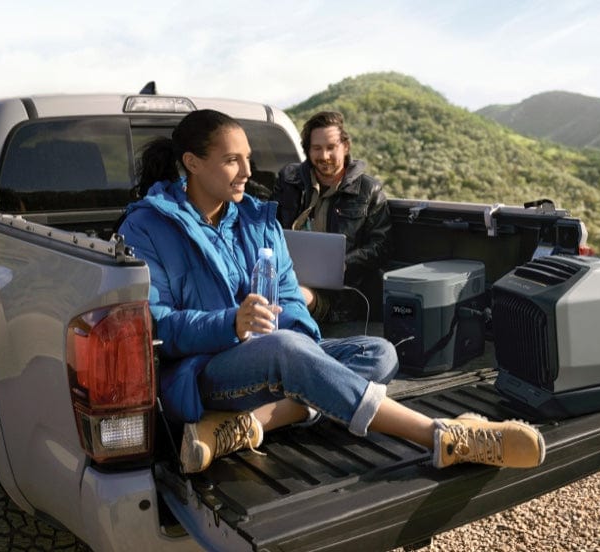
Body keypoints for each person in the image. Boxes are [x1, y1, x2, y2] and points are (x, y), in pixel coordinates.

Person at [118, 109, 545, 474]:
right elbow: (156, 324)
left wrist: (303, 350)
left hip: (275, 359)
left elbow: (287, 297)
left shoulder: (257, 218)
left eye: (247, 159)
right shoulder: (148, 227)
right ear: (192, 163)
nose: (247, 172)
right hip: (204, 371)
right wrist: (231, 323)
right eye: (232, 160)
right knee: (286, 348)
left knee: (379, 353)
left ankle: (253, 423)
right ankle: (439, 435)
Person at [274, 111, 390, 322]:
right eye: (317, 148)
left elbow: (380, 247)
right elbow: (269, 226)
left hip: (339, 297)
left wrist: (340, 264)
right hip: (286, 276)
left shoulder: (369, 190)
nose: (324, 156)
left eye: (331, 147)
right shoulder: (289, 181)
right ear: (308, 150)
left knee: (290, 298)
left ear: (345, 147)